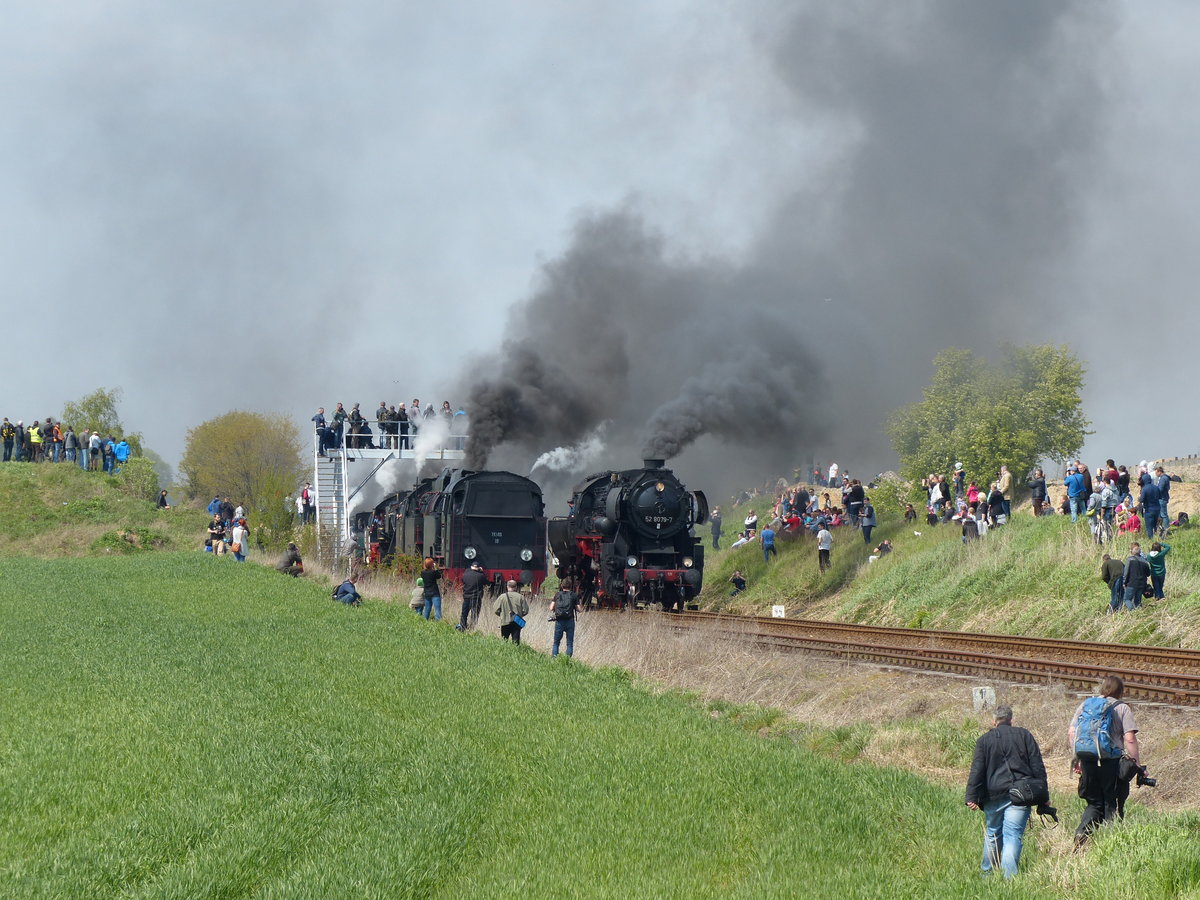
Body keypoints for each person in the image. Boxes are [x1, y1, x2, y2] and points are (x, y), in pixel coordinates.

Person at [965, 705, 1047, 878]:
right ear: (1011, 720)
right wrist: (1043, 796)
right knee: (1013, 836)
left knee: (993, 833)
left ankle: (987, 874)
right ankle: (1009, 878)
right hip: (1021, 794)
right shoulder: (1024, 735)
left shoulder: (984, 741)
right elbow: (1037, 766)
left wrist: (971, 796)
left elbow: (977, 770)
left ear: (994, 721)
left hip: (992, 795)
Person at [1069, 674, 1140, 848]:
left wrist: (1078, 757)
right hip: (1110, 761)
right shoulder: (1122, 708)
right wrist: (1136, 764)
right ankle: (1109, 844)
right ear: (1120, 691)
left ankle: (1081, 833)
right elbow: (1129, 739)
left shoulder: (1086, 704)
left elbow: (1072, 732)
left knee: (1094, 802)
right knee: (1111, 802)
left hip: (1088, 760)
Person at [549, 578, 582, 657]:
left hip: (559, 621)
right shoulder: (573, 595)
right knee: (569, 643)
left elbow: (551, 608)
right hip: (570, 620)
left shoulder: (557, 594)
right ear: (571, 586)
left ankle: (554, 658)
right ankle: (566, 661)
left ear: (561, 585)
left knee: (556, 643)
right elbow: (579, 610)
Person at [494, 579, 529, 644]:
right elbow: (526, 610)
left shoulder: (502, 597)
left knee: (504, 641)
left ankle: (504, 652)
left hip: (505, 621)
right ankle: (515, 653)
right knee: (516, 642)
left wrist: (502, 615)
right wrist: (519, 615)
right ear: (516, 587)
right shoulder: (521, 597)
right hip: (517, 622)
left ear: (507, 587)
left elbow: (496, 610)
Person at [1120, 544, 1151, 611]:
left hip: (1132, 583)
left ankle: (1132, 611)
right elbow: (1148, 573)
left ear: (1132, 551)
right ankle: (1138, 614)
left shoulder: (1130, 560)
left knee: (1126, 599)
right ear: (1140, 552)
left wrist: (1124, 582)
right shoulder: (1145, 562)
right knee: (1138, 601)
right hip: (1142, 584)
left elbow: (1126, 572)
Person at [458, 562, 487, 631]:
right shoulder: (481, 576)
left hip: (466, 597)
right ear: (478, 568)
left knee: (464, 613)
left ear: (471, 567)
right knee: (474, 614)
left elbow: (463, 581)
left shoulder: (465, 574)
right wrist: (482, 572)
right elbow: (486, 582)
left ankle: (462, 627)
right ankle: (472, 628)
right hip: (476, 598)